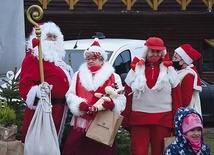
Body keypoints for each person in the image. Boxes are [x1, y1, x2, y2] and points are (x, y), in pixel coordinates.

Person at [62, 38, 126, 155]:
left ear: (102, 60)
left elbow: (121, 98)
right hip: (81, 122)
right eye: (88, 58)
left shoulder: (113, 77)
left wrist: (112, 104)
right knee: (72, 149)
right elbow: (70, 94)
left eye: (94, 58)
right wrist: (79, 104)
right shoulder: (78, 75)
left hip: (103, 123)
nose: (90, 61)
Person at [121, 37, 182, 155]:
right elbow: (127, 96)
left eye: (158, 52)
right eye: (152, 51)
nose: (155, 54)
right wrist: (126, 119)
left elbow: (177, 98)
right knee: (138, 151)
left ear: (162, 53)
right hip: (139, 119)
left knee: (159, 151)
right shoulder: (135, 70)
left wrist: (176, 122)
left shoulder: (170, 71)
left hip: (162, 119)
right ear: (146, 51)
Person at [19, 21, 73, 143]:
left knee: (52, 144)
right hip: (43, 110)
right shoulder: (33, 59)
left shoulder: (58, 62)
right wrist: (37, 91)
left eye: (55, 37)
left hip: (59, 110)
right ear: (41, 38)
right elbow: (24, 86)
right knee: (41, 144)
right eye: (49, 36)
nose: (53, 40)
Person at [172, 44, 202, 116]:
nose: (173, 59)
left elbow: (185, 101)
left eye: (176, 58)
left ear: (184, 60)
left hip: (184, 115)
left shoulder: (188, 75)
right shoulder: (177, 72)